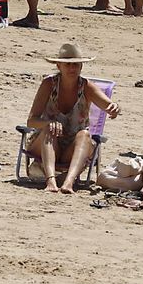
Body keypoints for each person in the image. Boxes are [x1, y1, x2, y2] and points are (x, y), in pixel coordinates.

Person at [25, 42, 120, 194]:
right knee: (50, 129)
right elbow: (31, 121)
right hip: (46, 145)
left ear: (81, 66)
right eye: (68, 64)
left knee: (85, 134)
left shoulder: (86, 86)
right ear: (58, 66)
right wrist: (48, 123)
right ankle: (51, 181)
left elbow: (108, 105)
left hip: (73, 148)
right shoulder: (49, 84)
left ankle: (68, 182)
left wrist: (114, 109)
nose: (72, 68)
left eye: (76, 65)